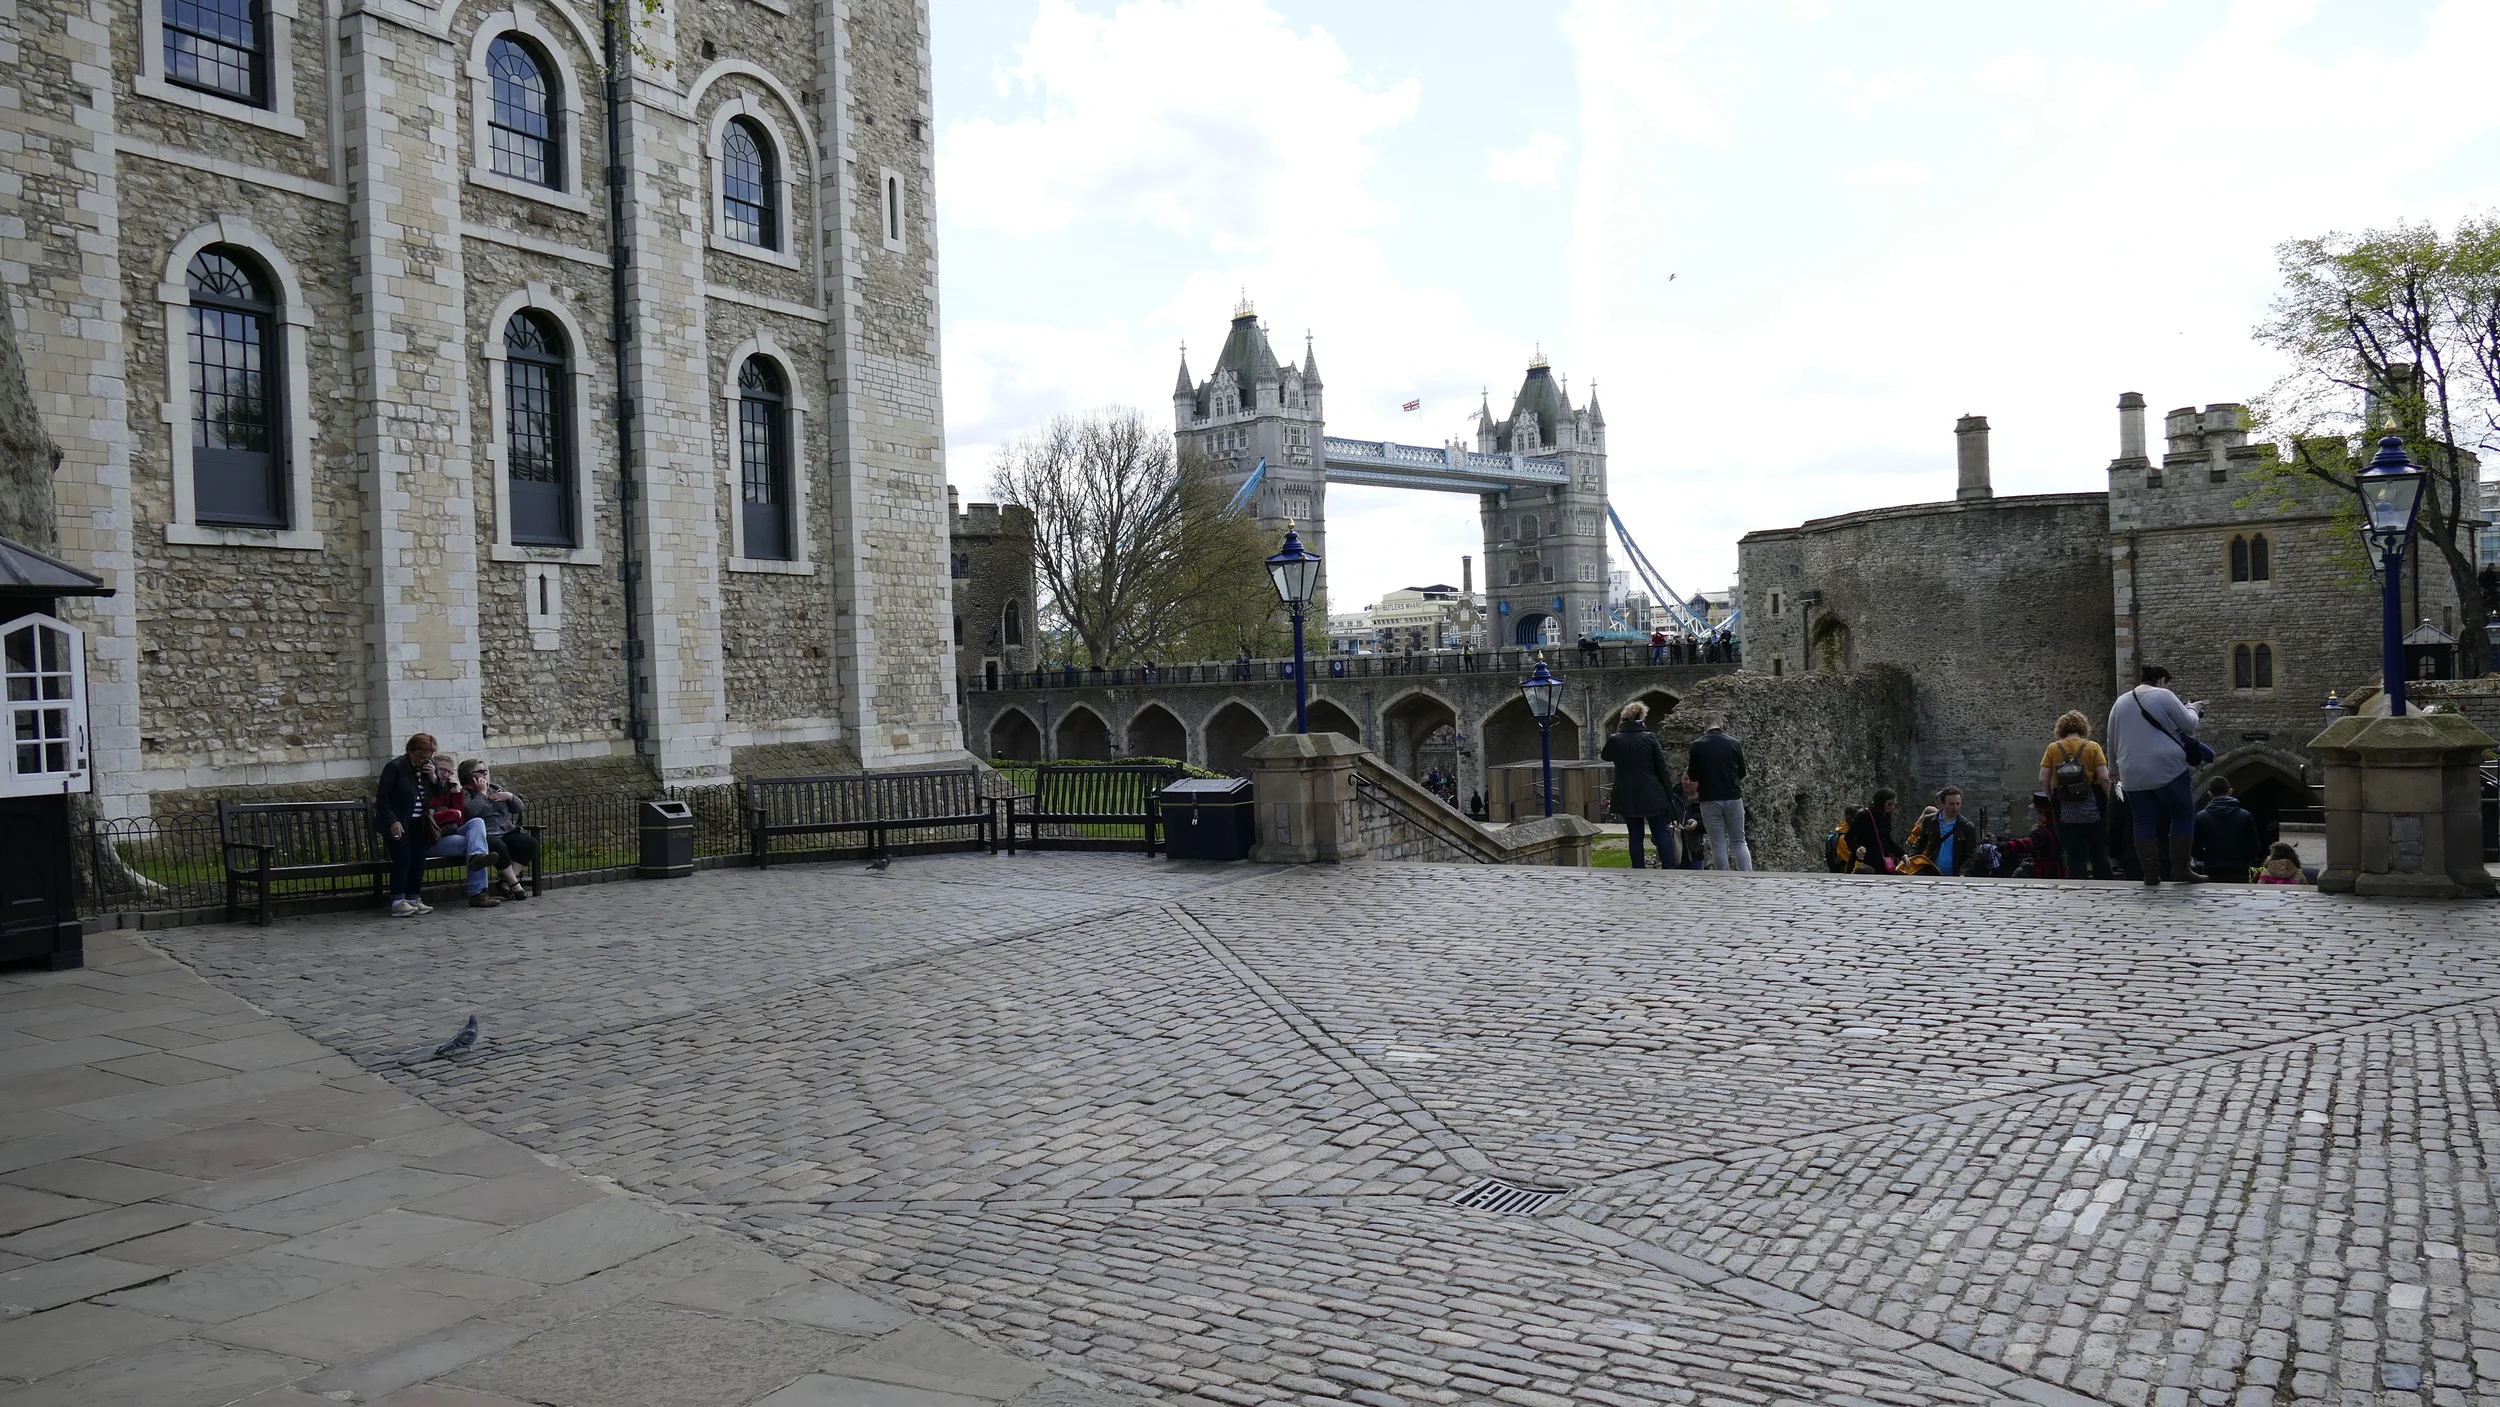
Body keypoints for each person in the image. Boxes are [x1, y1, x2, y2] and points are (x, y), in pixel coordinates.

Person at [2106, 663, 2206, 887]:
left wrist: (2113, 769)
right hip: (2167, 768)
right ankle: (2180, 868)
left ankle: (2150, 873)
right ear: (2161, 680)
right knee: (2182, 815)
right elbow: (2189, 725)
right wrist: (2193, 708)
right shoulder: (2163, 695)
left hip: (2131, 771)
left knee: (2142, 820)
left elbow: (2111, 739)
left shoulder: (2120, 702)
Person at [2038, 711, 2115, 880]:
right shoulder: (2093, 746)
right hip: (2092, 804)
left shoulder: (2053, 748)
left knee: (2073, 854)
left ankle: (2077, 886)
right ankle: (2104, 884)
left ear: (2061, 729)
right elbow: (2104, 777)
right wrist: (2108, 799)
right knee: (2099, 851)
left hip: (2064, 805)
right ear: (2083, 728)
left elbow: (2043, 779)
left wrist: (2052, 799)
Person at [1600, 701, 1677, 869]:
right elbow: (1661, 768)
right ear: (1641, 717)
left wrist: (1619, 732)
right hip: (1652, 793)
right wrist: (1669, 795)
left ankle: (1638, 869)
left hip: (1627, 794)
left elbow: (1605, 755)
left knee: (1635, 835)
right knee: (1661, 833)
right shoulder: (1649, 738)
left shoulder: (1616, 739)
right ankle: (1669, 868)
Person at [376, 733, 440, 917]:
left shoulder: (431, 766)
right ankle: (398, 900)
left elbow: (439, 792)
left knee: (418, 860)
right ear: (410, 751)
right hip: (400, 821)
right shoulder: (395, 767)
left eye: (427, 757)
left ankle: (414, 898)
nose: (423, 760)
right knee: (403, 859)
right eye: (420, 756)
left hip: (420, 821)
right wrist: (393, 821)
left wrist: (433, 777)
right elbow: (383, 798)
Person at [422, 753, 498, 907]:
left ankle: (476, 857)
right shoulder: (424, 789)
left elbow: (461, 820)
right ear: (433, 768)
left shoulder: (449, 790)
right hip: (431, 840)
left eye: (450, 772)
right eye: (443, 770)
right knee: (476, 844)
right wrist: (452, 814)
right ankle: (478, 894)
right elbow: (428, 818)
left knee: (477, 823)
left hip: (450, 835)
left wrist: (457, 794)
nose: (446, 775)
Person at [460, 759, 535, 901]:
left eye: (485, 770)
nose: (485, 774)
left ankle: (505, 881)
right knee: (498, 846)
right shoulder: (465, 794)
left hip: (505, 830)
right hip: (486, 833)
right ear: (469, 775)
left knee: (529, 842)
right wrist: (481, 794)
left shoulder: (495, 788)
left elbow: (518, 808)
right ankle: (514, 884)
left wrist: (510, 797)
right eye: (481, 771)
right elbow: (470, 812)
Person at [1686, 717, 1751, 871]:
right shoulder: (1733, 743)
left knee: (1718, 842)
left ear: (1704, 724)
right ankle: (1747, 874)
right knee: (1739, 841)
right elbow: (1742, 772)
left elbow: (1693, 775)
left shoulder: (1697, 745)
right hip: (1733, 796)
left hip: (1709, 798)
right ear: (1721, 723)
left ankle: (1723, 875)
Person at [2192, 777, 2263, 883]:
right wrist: (2243, 860)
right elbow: (2254, 847)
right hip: (2239, 869)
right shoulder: (2245, 815)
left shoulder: (2201, 817)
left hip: (2212, 869)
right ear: (2230, 792)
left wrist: (2207, 858)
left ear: (2209, 794)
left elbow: (2195, 848)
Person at [1899, 787, 1980, 876]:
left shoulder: (1967, 826)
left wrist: (1962, 874)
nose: (1955, 807)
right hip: (1930, 872)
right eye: (1951, 804)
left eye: (1958, 804)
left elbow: (1971, 854)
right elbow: (1920, 843)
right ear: (1943, 803)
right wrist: (1908, 859)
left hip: (1955, 875)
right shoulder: (1929, 820)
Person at [1845, 788, 1904, 873]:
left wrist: (1902, 854)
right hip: (1866, 860)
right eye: (1889, 804)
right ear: (1881, 802)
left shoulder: (1886, 816)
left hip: (1882, 861)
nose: (1892, 807)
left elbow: (1886, 839)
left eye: (1894, 804)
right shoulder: (1864, 815)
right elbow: (1849, 836)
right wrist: (1857, 848)